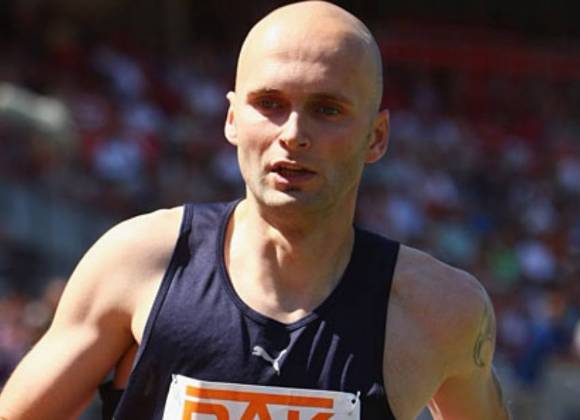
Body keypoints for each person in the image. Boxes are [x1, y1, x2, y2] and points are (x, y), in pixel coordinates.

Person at [0, 2, 511, 419]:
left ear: (376, 137)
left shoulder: (439, 309)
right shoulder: (136, 265)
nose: (293, 134)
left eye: (327, 109)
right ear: (231, 119)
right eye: (269, 103)